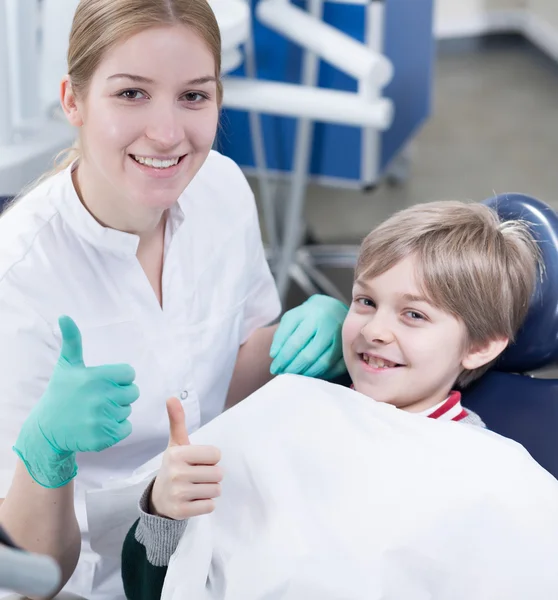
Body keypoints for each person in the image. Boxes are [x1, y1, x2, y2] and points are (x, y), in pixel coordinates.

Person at [0, 1, 348, 598]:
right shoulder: (20, 275)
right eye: (132, 94)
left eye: (193, 96)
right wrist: (46, 453)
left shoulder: (220, 187)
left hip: (218, 530)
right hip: (98, 576)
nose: (167, 134)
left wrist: (329, 334)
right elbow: (32, 576)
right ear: (74, 101)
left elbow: (224, 380)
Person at [120, 200, 549, 599]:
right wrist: (164, 511)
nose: (374, 330)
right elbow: (147, 587)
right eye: (365, 301)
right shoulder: (283, 411)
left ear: (481, 345)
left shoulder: (494, 480)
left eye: (413, 314)